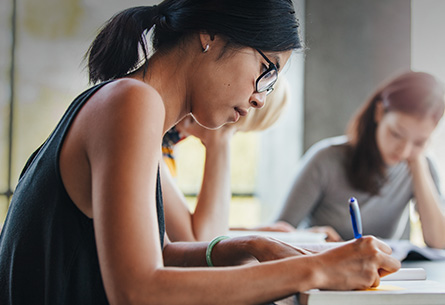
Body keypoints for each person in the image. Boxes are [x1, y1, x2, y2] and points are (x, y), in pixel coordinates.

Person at [0, 1, 400, 304]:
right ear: (210, 34)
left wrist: (252, 246)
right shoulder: (131, 102)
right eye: (268, 69)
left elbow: (158, 254)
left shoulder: (128, 104)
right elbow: (137, 289)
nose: (261, 98)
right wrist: (315, 268)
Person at [277, 71, 445, 248]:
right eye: (396, 134)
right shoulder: (326, 159)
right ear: (379, 113)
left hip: (383, 273)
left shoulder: (421, 165)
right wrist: (309, 238)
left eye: (419, 142)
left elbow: (440, 242)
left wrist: (418, 166)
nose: (404, 150)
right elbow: (276, 233)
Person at [161, 78, 295, 242]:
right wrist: (219, 140)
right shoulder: (155, 137)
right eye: (234, 129)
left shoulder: (169, 142)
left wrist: (248, 231)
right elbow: (203, 243)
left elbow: (168, 227)